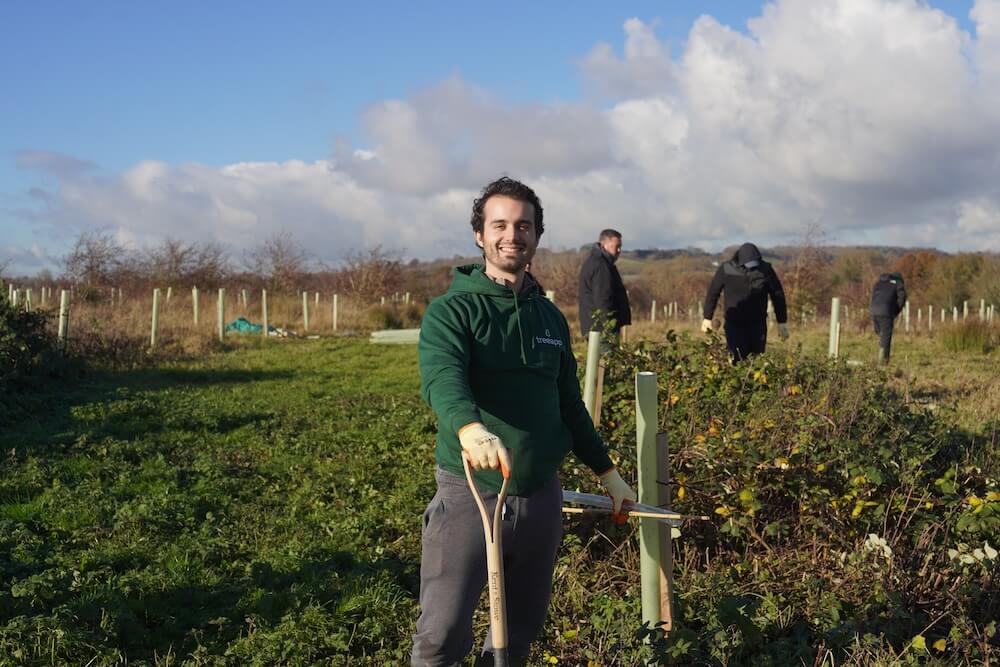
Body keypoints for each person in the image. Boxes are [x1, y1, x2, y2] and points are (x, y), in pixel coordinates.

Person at [412, 177, 637, 667]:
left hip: (540, 497)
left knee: (517, 635)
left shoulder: (551, 320)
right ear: (479, 235)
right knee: (443, 634)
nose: (511, 235)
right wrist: (470, 430)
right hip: (471, 490)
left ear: (536, 235)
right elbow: (443, 380)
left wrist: (609, 473)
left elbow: (569, 408)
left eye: (523, 225)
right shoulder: (453, 311)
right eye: (499, 225)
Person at [701, 242, 789, 360]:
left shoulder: (766, 270)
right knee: (737, 358)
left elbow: (777, 295)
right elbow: (713, 293)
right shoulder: (726, 269)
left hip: (758, 324)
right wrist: (707, 317)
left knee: (756, 359)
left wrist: (782, 321)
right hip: (734, 323)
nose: (752, 266)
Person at [577, 229, 632, 338]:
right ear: (604, 245)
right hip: (601, 330)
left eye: (620, 246)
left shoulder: (598, 262)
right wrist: (609, 328)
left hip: (596, 327)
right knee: (605, 355)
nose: (619, 250)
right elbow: (603, 300)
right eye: (616, 246)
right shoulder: (601, 266)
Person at [869, 272, 906, 364]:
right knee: (886, 336)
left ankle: (879, 355)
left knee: (881, 333)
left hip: (873, 310)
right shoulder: (898, 283)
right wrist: (895, 311)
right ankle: (883, 361)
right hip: (886, 311)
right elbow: (901, 299)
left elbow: (873, 297)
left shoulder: (878, 283)